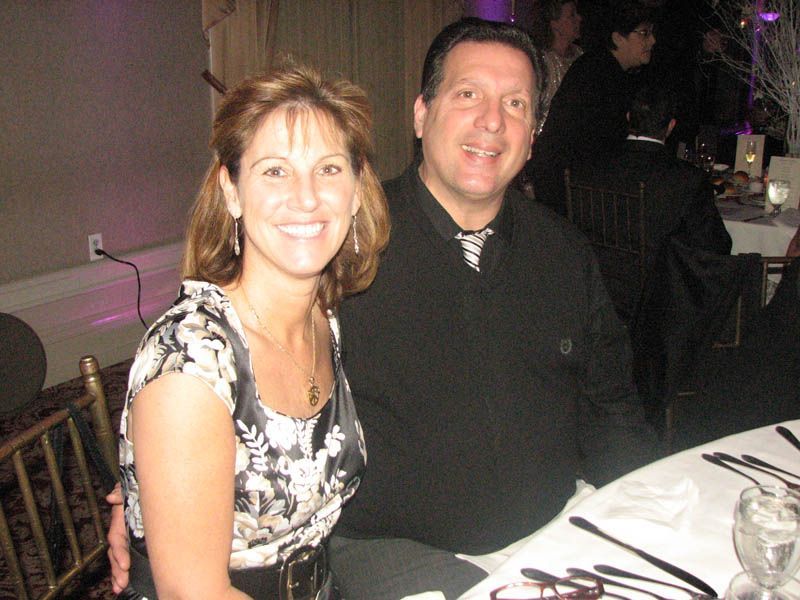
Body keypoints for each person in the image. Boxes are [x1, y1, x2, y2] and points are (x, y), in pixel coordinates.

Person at [109, 18, 656, 599]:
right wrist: (153, 496)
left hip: (552, 528)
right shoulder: (341, 257)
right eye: (467, 94)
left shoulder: (562, 252)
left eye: (515, 103)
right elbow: (203, 379)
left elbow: (612, 406)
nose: (491, 121)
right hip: (391, 551)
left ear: (535, 132)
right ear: (422, 113)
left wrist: (650, 511)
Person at [111, 65, 389, 599]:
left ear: (356, 191)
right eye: (275, 172)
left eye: (329, 169)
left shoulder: (322, 317)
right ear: (232, 191)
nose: (306, 198)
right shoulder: (190, 365)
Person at [569, 83, 731, 319]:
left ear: (628, 118)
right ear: (670, 127)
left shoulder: (589, 167)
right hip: (654, 302)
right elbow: (716, 246)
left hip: (591, 286)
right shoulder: (686, 178)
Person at [529, 0, 656, 215]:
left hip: (574, 188)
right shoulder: (599, 74)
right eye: (643, 33)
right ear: (618, 38)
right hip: (570, 194)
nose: (652, 40)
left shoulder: (603, 68)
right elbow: (603, 145)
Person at [530, 0, 584, 134]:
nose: (579, 18)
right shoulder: (541, 61)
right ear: (554, 24)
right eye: (571, 15)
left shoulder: (580, 55)